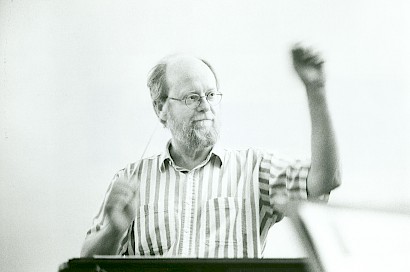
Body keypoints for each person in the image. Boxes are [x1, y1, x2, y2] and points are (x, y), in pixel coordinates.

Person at [80, 45, 341, 258]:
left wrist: (315, 91)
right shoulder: (131, 180)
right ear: (161, 108)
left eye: (211, 95)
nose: (206, 106)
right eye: (192, 97)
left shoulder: (254, 169)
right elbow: (86, 265)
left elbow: (325, 180)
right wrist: (114, 230)